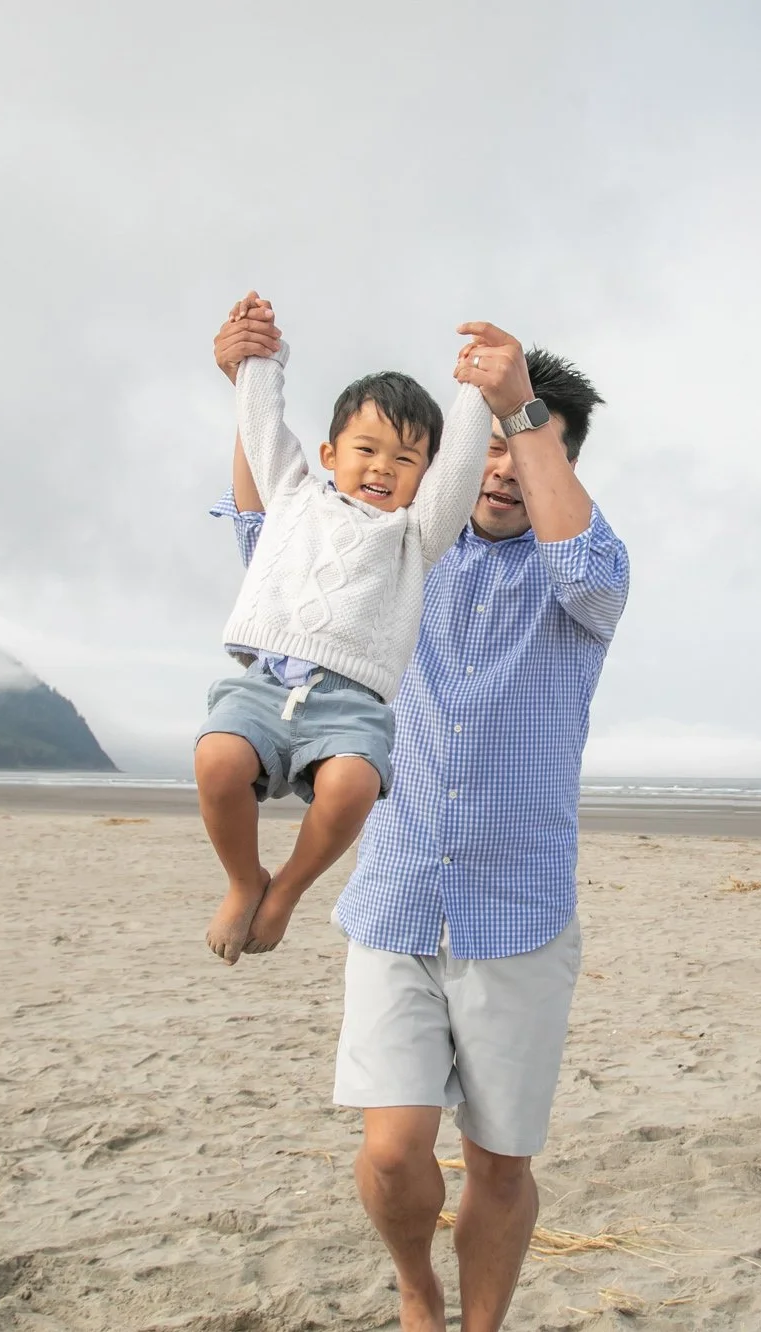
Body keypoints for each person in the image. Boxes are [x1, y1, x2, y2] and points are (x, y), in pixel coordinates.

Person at [211, 300, 629, 1332]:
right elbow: (270, 525)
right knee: (394, 1150)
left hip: (519, 913)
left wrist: (521, 403)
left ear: (553, 459)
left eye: (523, 448)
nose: (498, 466)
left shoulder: (578, 576)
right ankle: (413, 1282)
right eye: (482, 445)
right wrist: (242, 383)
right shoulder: (397, 551)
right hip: (394, 899)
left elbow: (584, 564)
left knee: (497, 1161)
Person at [195, 294, 497, 965]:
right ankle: (246, 881)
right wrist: (260, 358)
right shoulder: (294, 495)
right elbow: (261, 426)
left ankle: (288, 890)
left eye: (406, 458)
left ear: (425, 476)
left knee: (354, 785)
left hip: (353, 703)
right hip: (267, 680)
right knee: (217, 759)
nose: (384, 467)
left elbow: (460, 472)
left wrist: (475, 390)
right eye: (367, 449)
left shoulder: (413, 537)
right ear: (331, 451)